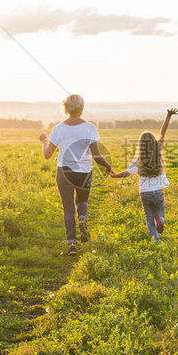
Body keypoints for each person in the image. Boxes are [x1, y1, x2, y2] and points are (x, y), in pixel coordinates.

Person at [39, 94, 114, 256]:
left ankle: (72, 245)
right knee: (82, 201)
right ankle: (82, 218)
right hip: (84, 172)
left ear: (65, 109)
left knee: (67, 209)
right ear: (82, 108)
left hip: (64, 172)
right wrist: (108, 166)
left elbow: (47, 154)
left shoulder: (58, 129)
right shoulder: (90, 128)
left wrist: (44, 140)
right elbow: (96, 156)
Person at [110, 108, 178, 243]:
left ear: (140, 144)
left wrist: (114, 175)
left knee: (148, 217)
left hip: (145, 192)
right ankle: (160, 220)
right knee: (161, 212)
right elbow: (162, 133)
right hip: (158, 190)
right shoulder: (157, 150)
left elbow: (127, 173)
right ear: (153, 141)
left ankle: (156, 240)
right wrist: (168, 116)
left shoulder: (138, 157)